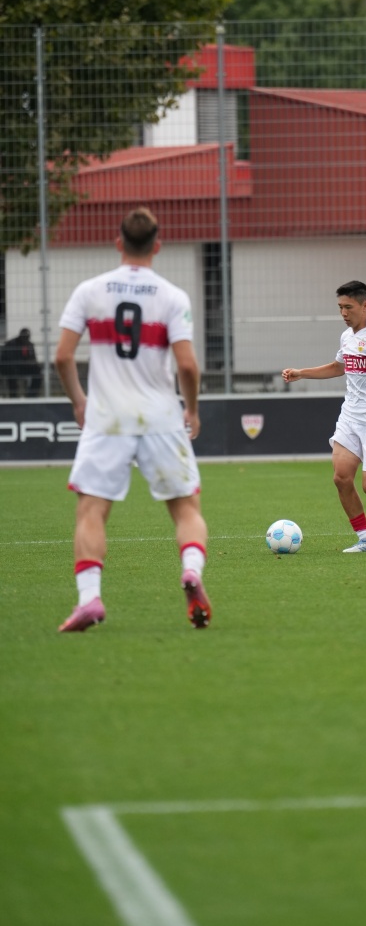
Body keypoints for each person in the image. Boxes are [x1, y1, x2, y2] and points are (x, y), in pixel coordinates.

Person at [54, 206, 211, 632]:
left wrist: (79, 401)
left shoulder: (89, 291)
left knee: (91, 510)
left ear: (118, 242)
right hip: (161, 417)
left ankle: (89, 599)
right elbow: (188, 366)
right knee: (185, 508)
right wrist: (191, 409)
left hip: (107, 419)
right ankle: (191, 570)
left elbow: (63, 356)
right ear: (157, 245)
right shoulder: (172, 296)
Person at [282, 280, 366, 552]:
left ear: (365, 306)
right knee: (341, 478)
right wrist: (301, 373)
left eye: (349, 307)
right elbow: (338, 366)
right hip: (350, 418)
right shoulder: (347, 337)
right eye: (340, 308)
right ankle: (365, 539)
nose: (344, 313)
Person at [0, 328, 42, 397]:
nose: (25, 339)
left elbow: (33, 358)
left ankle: (32, 395)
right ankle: (13, 396)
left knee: (37, 371)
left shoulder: (29, 345)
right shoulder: (11, 344)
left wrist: (32, 363)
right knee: (11, 372)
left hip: (24, 368)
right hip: (11, 368)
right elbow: (7, 359)